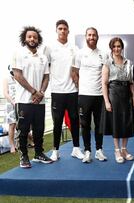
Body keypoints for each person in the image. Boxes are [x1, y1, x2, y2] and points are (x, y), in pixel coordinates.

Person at [12, 26, 52, 168]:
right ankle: (23, 156)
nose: (32, 39)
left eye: (35, 37)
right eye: (29, 37)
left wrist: (40, 92)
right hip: (24, 100)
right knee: (23, 130)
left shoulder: (43, 57)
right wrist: (34, 92)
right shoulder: (19, 54)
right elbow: (17, 75)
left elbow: (46, 77)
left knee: (39, 129)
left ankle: (39, 154)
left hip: (39, 101)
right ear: (25, 39)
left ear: (38, 39)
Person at [45, 19, 84, 161]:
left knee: (74, 120)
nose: (62, 31)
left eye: (65, 28)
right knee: (57, 122)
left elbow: (78, 70)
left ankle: (76, 149)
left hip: (72, 91)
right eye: (60, 28)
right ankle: (55, 151)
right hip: (57, 91)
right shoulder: (49, 48)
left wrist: (79, 86)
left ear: (68, 31)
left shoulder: (74, 49)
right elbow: (45, 68)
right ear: (56, 30)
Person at [73, 27, 107, 163]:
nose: (92, 37)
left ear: (97, 37)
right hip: (84, 96)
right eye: (89, 35)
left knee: (99, 124)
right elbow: (74, 73)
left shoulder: (103, 54)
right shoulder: (79, 54)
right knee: (85, 124)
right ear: (85, 37)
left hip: (99, 95)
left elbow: (106, 75)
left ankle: (99, 150)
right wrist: (80, 87)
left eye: (94, 35)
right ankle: (87, 151)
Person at [101, 37, 134, 163]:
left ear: (122, 48)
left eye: (119, 46)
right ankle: (117, 151)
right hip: (114, 94)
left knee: (127, 122)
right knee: (116, 123)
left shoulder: (128, 62)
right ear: (111, 48)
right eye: (114, 46)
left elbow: (131, 82)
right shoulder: (107, 63)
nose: (117, 49)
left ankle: (124, 149)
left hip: (126, 94)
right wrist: (106, 101)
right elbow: (104, 84)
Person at [2, 66, 17, 153]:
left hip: (20, 104)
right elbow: (5, 93)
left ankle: (30, 140)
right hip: (10, 105)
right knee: (12, 125)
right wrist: (12, 102)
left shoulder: (19, 78)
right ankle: (12, 146)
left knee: (23, 125)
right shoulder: (6, 79)